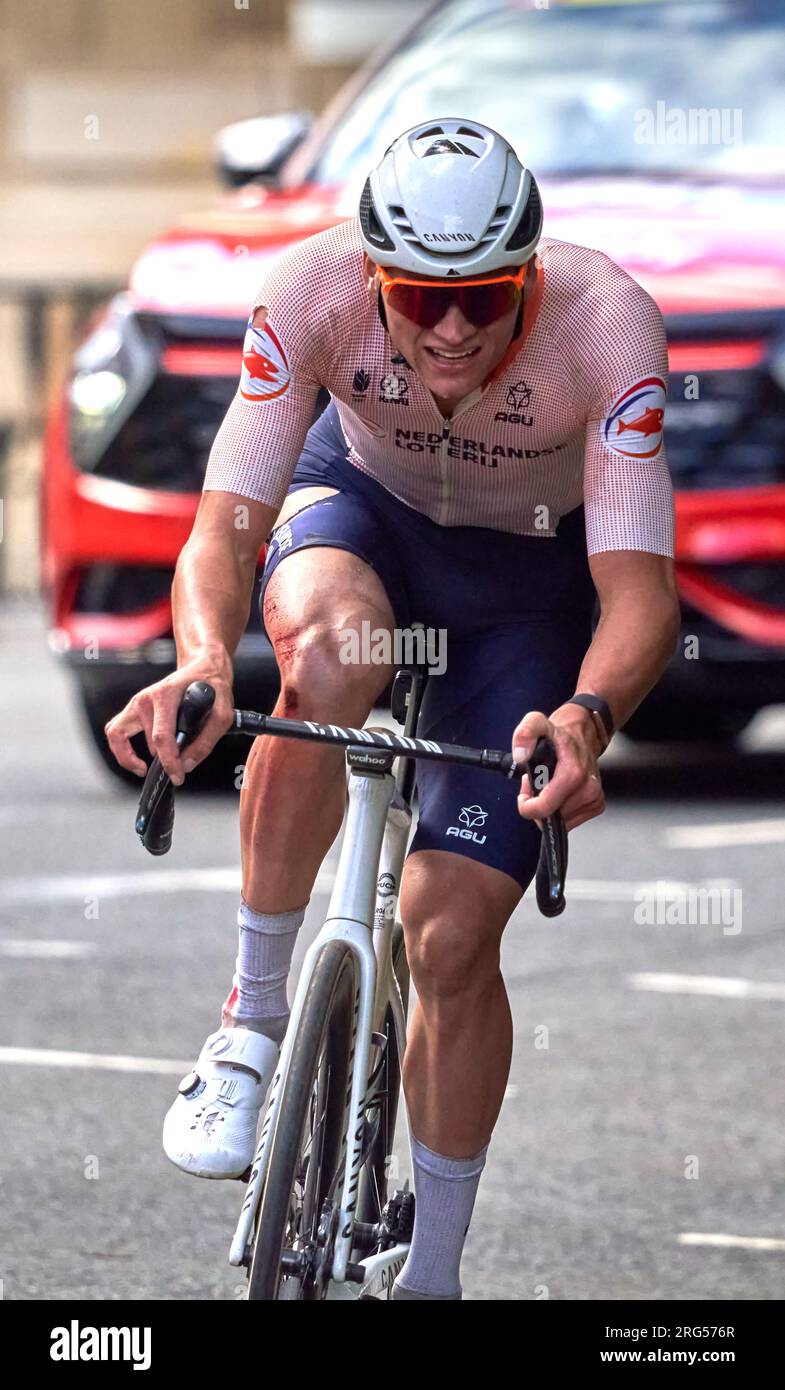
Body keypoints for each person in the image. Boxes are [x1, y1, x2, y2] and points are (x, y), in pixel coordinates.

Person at [106, 119, 679, 1301]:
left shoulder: (604, 322)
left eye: (484, 295)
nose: (455, 327)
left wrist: (581, 719)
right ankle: (251, 1023)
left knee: (452, 932)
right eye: (421, 297)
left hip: (521, 593)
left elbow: (637, 593)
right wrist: (204, 659)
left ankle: (433, 1268)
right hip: (359, 520)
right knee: (326, 654)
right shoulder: (309, 286)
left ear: (528, 269)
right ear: (374, 276)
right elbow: (226, 521)